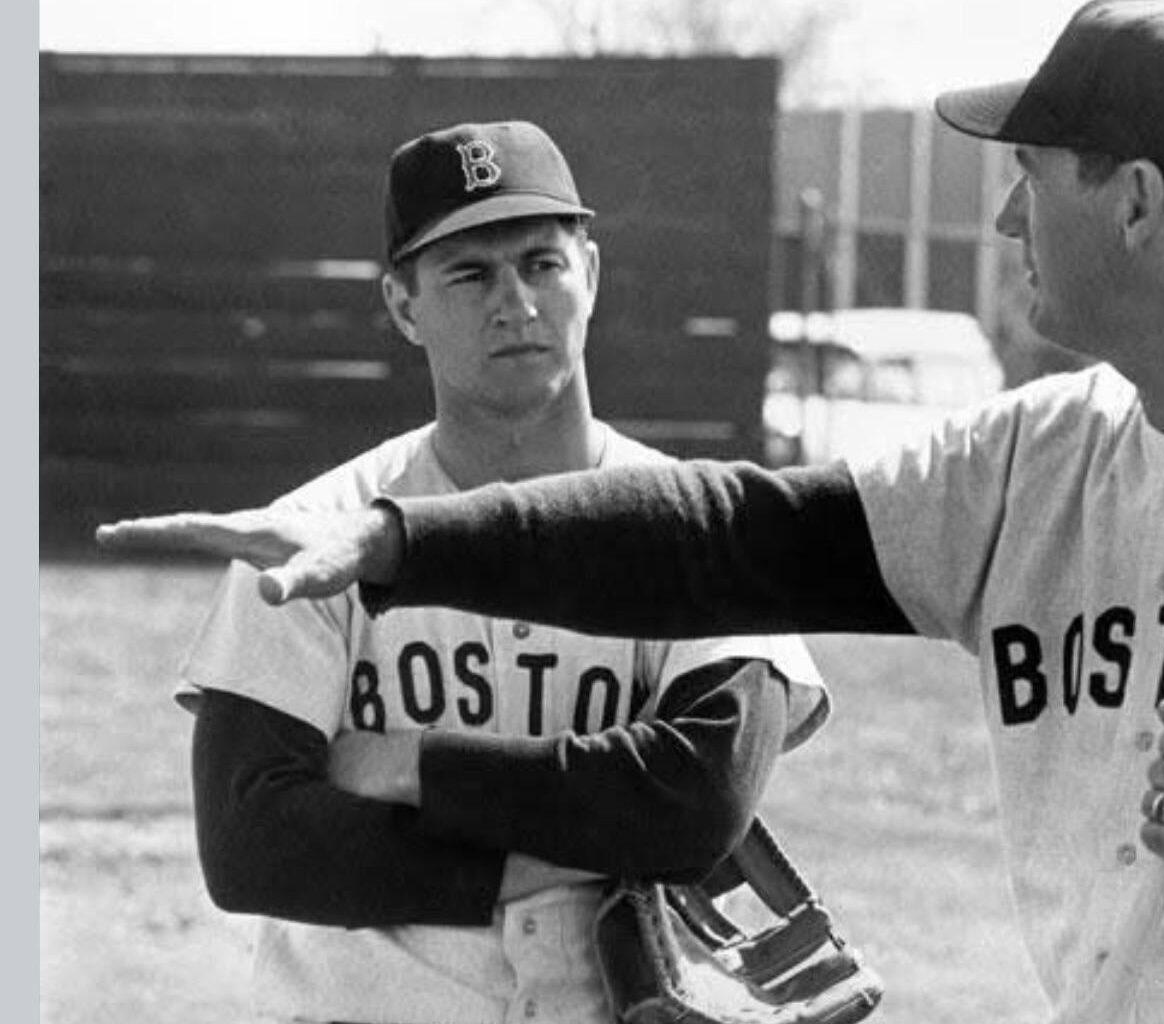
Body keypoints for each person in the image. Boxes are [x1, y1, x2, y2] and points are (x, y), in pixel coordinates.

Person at [99, 4, 1164, 1023]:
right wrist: (406, 541)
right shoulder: (1039, 460)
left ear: (1135, 202)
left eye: (1030, 179)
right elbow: (735, 534)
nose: (1005, 220)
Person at [155, 119, 827, 1024]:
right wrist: (563, 848)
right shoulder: (314, 537)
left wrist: (411, 765)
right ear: (403, 305)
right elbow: (255, 844)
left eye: (541, 263)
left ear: (591, 274)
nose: (515, 302)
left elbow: (699, 801)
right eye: (469, 274)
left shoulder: (702, 527)